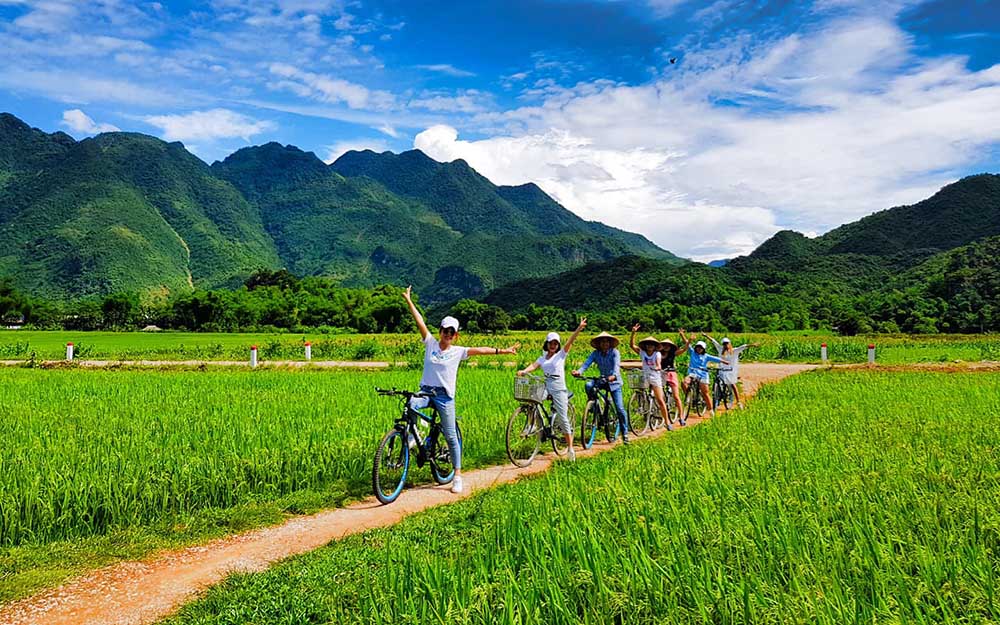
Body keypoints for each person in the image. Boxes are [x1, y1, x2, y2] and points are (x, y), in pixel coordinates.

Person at [403, 286, 520, 494]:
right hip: (426, 391)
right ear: (439, 331)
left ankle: (457, 475)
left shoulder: (459, 351)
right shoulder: (430, 343)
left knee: (450, 436)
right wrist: (409, 301)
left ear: (455, 335)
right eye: (444, 330)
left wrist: (503, 350)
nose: (447, 334)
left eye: (451, 332)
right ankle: (414, 434)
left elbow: (480, 351)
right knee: (411, 403)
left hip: (444, 397)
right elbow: (419, 321)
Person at [516, 317, 588, 461]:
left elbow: (570, 342)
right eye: (551, 343)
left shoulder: (561, 355)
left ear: (558, 345)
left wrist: (579, 328)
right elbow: (534, 366)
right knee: (532, 399)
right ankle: (532, 426)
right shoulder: (542, 358)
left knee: (562, 418)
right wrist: (523, 371)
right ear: (547, 344)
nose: (553, 345)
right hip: (546, 385)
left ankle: (571, 449)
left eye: (556, 343)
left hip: (559, 388)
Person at [572, 331, 630, 444]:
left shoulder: (614, 352)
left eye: (606, 341)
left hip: (614, 382)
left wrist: (614, 375)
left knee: (619, 408)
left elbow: (616, 366)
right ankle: (594, 408)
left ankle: (625, 433)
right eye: (602, 342)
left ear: (609, 343)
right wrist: (578, 372)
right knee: (588, 385)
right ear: (599, 344)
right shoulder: (595, 353)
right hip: (602, 379)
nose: (604, 344)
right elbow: (586, 364)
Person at [629, 324, 672, 431]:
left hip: (655, 376)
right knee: (640, 392)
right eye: (648, 345)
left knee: (660, 400)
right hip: (644, 375)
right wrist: (633, 333)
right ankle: (644, 410)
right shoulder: (642, 352)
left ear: (654, 346)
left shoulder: (657, 354)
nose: (649, 346)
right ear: (645, 346)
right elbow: (632, 345)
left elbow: (658, 364)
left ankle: (667, 422)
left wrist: (657, 367)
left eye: (652, 345)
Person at [680, 329, 728, 418]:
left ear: (703, 349)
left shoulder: (706, 356)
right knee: (684, 382)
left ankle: (711, 410)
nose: (699, 349)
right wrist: (682, 334)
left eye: (701, 348)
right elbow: (687, 343)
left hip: (703, 374)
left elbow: (716, 359)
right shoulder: (692, 352)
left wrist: (725, 362)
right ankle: (689, 396)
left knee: (705, 392)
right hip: (692, 373)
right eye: (698, 347)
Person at [705, 334, 759, 409]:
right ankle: (717, 396)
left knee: (732, 385)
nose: (725, 345)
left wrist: (753, 345)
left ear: (729, 344)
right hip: (722, 370)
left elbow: (743, 346)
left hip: (731, 371)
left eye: (727, 343)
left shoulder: (734, 350)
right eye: (724, 344)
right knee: (717, 382)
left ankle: (738, 402)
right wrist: (706, 336)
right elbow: (713, 341)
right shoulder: (720, 349)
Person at [659, 329, 691, 424]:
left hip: (671, 373)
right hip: (661, 374)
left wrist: (687, 340)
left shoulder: (673, 353)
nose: (666, 347)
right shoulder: (658, 354)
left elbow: (684, 349)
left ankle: (681, 417)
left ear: (671, 347)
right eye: (664, 345)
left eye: (668, 345)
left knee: (676, 396)